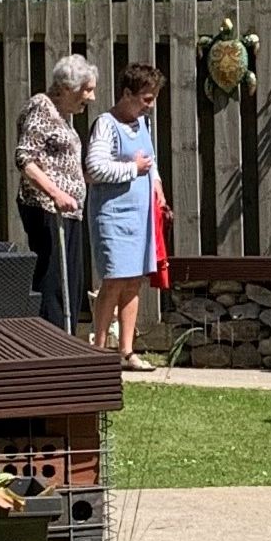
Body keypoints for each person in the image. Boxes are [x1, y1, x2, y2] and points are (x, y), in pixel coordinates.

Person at [86, 61, 166, 369]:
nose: (151, 105)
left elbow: (151, 161)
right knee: (115, 281)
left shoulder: (142, 123)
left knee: (134, 281)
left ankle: (126, 352)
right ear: (126, 94)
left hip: (139, 217)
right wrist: (133, 169)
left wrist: (156, 185)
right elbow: (93, 169)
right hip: (113, 217)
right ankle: (99, 351)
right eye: (146, 99)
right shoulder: (106, 124)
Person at [15, 54, 96, 331]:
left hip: (69, 211)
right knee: (53, 282)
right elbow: (25, 159)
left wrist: (82, 180)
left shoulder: (62, 117)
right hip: (48, 209)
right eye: (87, 88)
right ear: (66, 87)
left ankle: (67, 343)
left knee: (70, 283)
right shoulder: (42, 107)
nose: (92, 97)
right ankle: (52, 345)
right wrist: (56, 194)